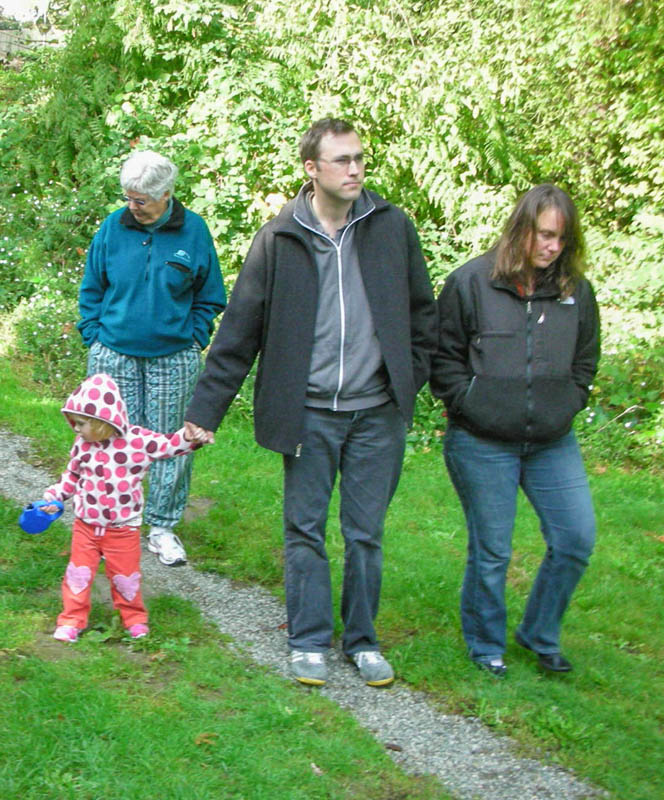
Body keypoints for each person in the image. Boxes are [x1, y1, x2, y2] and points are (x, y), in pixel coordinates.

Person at [183, 118, 437, 687]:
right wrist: (205, 412)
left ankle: (363, 641)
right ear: (311, 169)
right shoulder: (279, 239)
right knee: (305, 529)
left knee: (366, 532)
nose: (354, 170)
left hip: (377, 413)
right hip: (311, 413)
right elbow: (239, 332)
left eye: (359, 159)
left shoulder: (391, 227)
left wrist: (407, 379)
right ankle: (307, 640)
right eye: (342, 160)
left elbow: (425, 316)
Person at [431, 184, 599, 676]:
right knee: (493, 550)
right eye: (545, 235)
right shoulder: (470, 282)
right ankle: (486, 646)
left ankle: (538, 633)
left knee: (576, 538)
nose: (552, 247)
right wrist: (469, 403)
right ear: (521, 228)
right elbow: (443, 359)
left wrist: (570, 401)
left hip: (552, 441)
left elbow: (586, 360)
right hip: (481, 441)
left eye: (562, 240)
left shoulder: (576, 292)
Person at [78, 151, 226, 567]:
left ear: (166, 195)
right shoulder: (113, 227)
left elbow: (210, 295)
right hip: (113, 354)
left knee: (168, 443)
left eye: (141, 200)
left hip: (172, 357)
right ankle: (111, 523)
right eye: (129, 198)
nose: (133, 207)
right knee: (108, 441)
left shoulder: (193, 231)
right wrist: (93, 336)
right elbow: (92, 286)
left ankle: (162, 528)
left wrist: (194, 337)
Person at [32, 374, 205, 643]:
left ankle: (134, 619)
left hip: (123, 529)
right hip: (86, 526)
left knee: (126, 577)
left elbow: (168, 445)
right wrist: (53, 497)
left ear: (103, 421)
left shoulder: (137, 441)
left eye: (81, 423)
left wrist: (190, 436)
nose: (75, 429)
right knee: (78, 575)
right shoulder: (82, 445)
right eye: (74, 423)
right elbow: (72, 476)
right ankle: (71, 620)